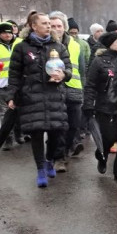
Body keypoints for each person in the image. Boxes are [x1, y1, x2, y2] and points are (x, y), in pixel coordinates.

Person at [7, 12, 72, 187]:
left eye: (49, 23)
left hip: (54, 95)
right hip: (31, 96)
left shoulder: (58, 46)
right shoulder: (22, 47)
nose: (49, 26)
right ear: (33, 26)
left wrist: (63, 75)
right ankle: (40, 169)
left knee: (56, 132)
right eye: (44, 23)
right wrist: (11, 96)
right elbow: (14, 74)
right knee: (36, 133)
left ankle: (50, 159)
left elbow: (69, 69)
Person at [83, 32, 117, 181]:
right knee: (108, 139)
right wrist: (88, 105)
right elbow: (90, 85)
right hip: (105, 107)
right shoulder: (99, 61)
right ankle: (101, 155)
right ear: (110, 44)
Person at [47, 11, 88, 171]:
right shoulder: (45, 44)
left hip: (74, 89)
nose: (56, 29)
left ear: (65, 27)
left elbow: (82, 70)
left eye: (59, 26)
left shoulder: (75, 45)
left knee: (73, 126)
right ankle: (58, 157)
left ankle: (65, 151)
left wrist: (83, 90)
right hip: (53, 90)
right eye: (53, 26)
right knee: (56, 126)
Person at [0, 22, 19, 150]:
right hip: (1, 84)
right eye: (5, 32)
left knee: (19, 110)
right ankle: (8, 137)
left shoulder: (20, 43)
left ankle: (20, 133)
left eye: (10, 32)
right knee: (4, 112)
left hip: (17, 83)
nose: (8, 35)